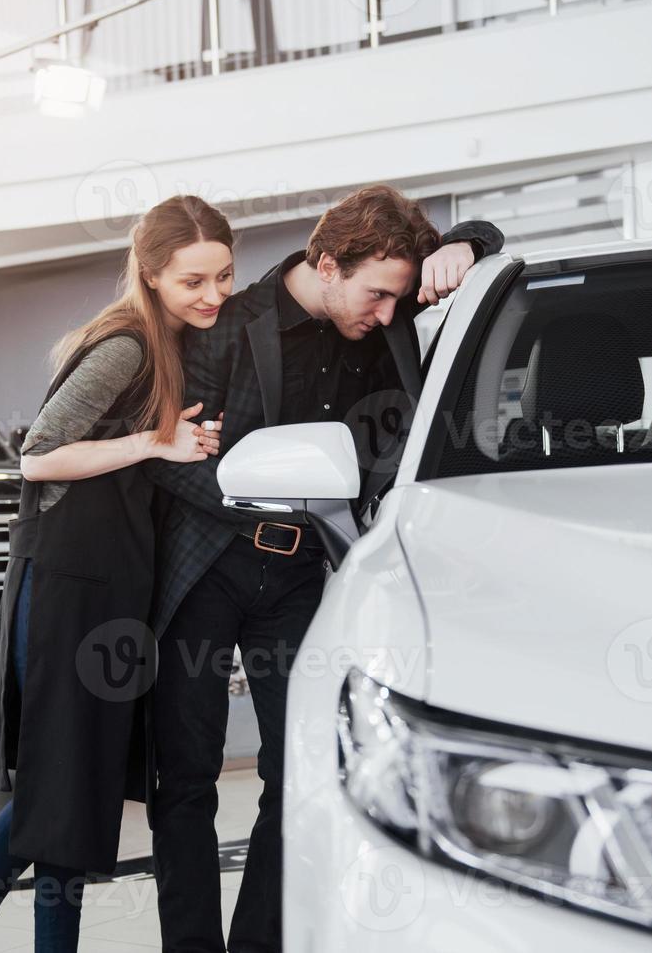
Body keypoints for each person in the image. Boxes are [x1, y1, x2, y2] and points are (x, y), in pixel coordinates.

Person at [144, 185, 504, 953]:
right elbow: (167, 462)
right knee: (185, 782)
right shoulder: (222, 327)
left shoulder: (386, 313)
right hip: (205, 566)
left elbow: (486, 239)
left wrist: (465, 243)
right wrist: (252, 494)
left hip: (306, 574)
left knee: (300, 771)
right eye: (375, 294)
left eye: (394, 298)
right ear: (328, 262)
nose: (384, 315)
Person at [0, 194, 238, 953]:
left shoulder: (167, 342)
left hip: (112, 583)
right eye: (193, 281)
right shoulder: (128, 346)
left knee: (79, 783)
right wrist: (154, 444)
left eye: (223, 278)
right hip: (72, 580)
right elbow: (37, 454)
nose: (212, 296)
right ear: (151, 273)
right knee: (64, 784)